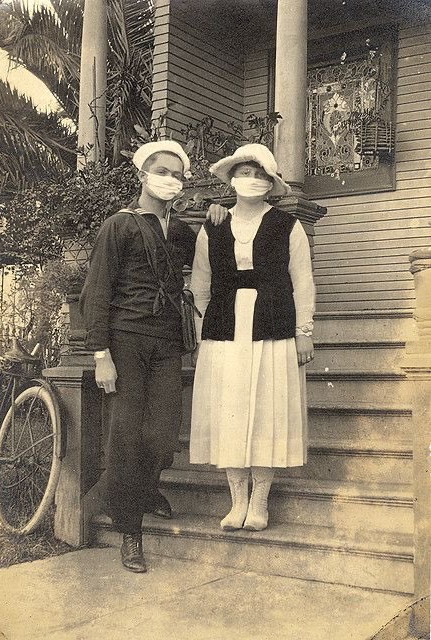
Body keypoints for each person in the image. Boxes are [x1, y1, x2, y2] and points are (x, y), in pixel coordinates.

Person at [80, 140, 226, 573]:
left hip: (165, 341)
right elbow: (97, 292)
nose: (170, 180)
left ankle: (145, 489)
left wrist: (219, 216)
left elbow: (213, 249)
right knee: (126, 433)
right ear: (142, 174)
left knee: (163, 432)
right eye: (161, 171)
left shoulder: (178, 229)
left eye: (177, 175)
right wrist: (100, 354)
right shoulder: (119, 226)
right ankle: (130, 531)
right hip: (125, 339)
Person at [190, 143, 315, 532]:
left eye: (259, 175)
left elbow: (302, 281)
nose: (251, 180)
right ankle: (236, 501)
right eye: (244, 173)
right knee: (231, 411)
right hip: (225, 330)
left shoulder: (286, 226)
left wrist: (304, 332)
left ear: (269, 183)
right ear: (231, 180)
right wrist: (200, 338)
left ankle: (259, 503)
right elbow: (201, 285)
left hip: (272, 328)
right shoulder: (212, 226)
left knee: (266, 412)